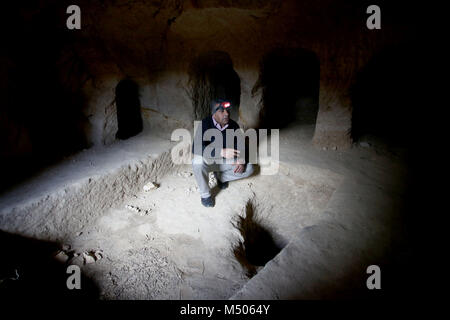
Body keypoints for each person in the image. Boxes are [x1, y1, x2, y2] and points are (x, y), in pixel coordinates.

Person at [192, 99, 254, 207]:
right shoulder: (205, 124)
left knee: (249, 168)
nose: (226, 113)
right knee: (197, 161)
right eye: (222, 111)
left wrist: (241, 160)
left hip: (226, 162)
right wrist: (220, 152)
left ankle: (221, 177)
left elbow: (241, 145)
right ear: (214, 113)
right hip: (211, 161)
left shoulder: (233, 125)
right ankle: (205, 194)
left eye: (227, 110)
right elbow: (196, 148)